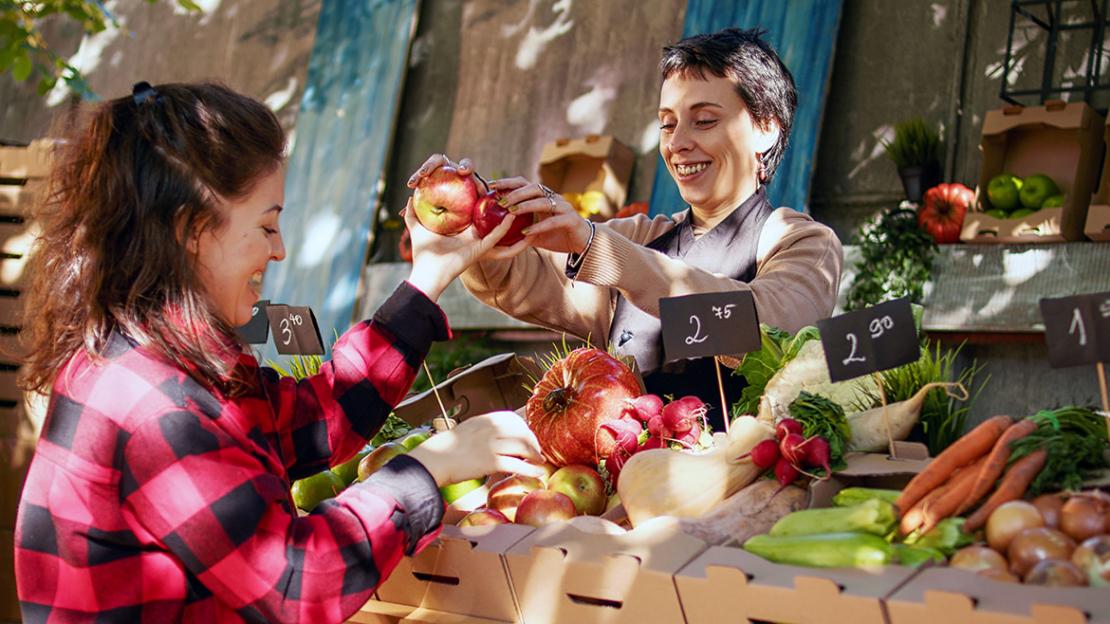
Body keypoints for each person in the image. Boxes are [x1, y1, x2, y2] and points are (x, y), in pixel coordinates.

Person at [14, 81, 543, 623]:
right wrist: (429, 468)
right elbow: (297, 583)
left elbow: (316, 421)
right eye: (267, 225)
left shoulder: (165, 355)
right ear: (191, 231)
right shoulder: (158, 409)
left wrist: (428, 279)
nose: (279, 248)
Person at [410, 28, 843, 431]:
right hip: (619, 493)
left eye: (704, 120)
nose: (677, 143)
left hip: (730, 489)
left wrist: (608, 255)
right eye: (668, 123)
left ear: (766, 127)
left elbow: (772, 330)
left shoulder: (796, 241)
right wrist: (472, 223)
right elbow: (526, 282)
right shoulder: (643, 235)